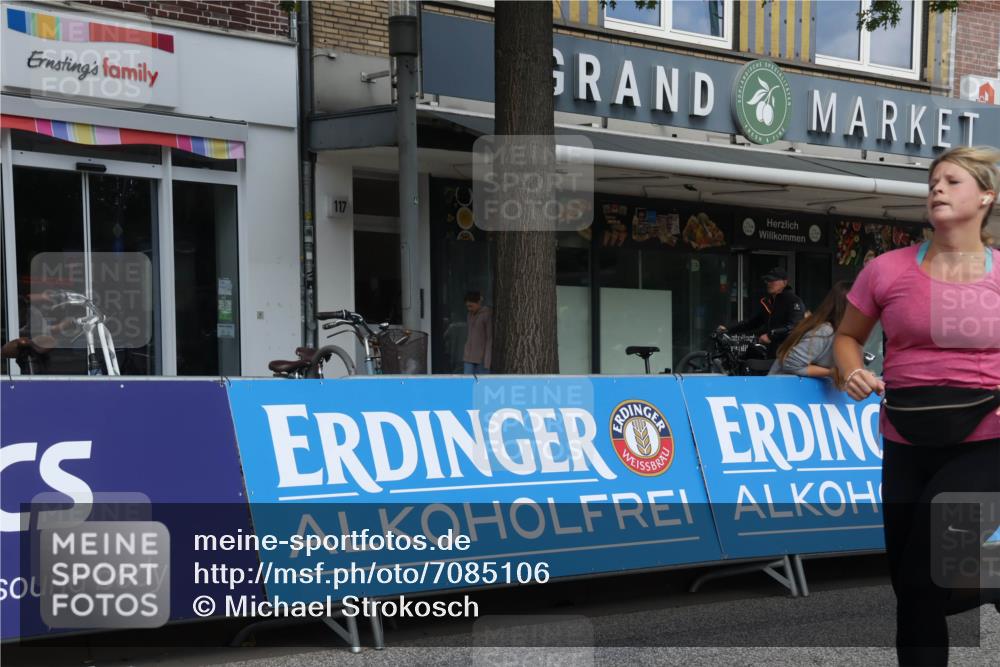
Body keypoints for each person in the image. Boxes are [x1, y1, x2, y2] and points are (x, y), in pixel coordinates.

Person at [833, 145, 1000, 666]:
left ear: (986, 196)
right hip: (905, 437)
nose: (937, 189)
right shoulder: (885, 270)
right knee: (910, 585)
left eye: (952, 181)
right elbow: (846, 336)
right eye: (932, 182)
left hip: (986, 438)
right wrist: (852, 371)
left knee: (927, 569)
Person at [769, 281, 851, 378]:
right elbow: (791, 363)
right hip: (784, 385)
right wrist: (832, 373)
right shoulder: (825, 331)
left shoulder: (840, 332)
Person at [719, 267, 805, 357]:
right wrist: (728, 329)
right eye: (767, 280)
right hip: (771, 352)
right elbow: (752, 323)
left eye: (772, 280)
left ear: (784, 282)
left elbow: (795, 326)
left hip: (787, 354)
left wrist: (770, 336)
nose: (768, 283)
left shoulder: (793, 301)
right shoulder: (769, 302)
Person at [462, 290, 491, 375]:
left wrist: (487, 360)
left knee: (482, 381)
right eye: (467, 306)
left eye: (471, 306)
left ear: (478, 302)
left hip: (481, 358)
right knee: (467, 380)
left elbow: (489, 338)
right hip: (468, 357)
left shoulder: (487, 315)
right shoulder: (469, 315)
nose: (469, 309)